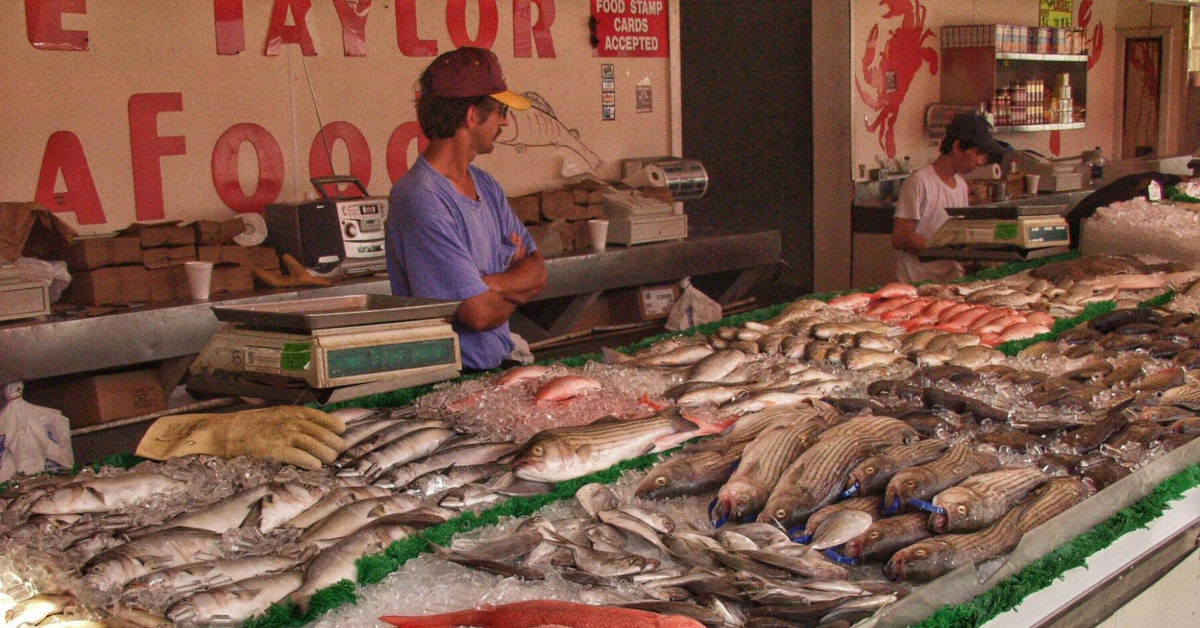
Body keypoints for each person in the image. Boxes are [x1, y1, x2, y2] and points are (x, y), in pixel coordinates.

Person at [386, 47, 547, 371]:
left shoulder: (486, 185)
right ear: (472, 115)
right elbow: (478, 313)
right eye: (501, 110)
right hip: (450, 378)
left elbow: (538, 272)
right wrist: (515, 283)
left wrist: (492, 284)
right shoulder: (420, 199)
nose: (505, 121)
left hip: (496, 368)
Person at [892, 113, 1004, 283]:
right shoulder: (919, 183)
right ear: (957, 146)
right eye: (977, 153)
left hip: (951, 281)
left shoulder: (961, 185)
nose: (981, 161)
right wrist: (948, 250)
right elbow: (901, 237)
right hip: (918, 284)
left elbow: (958, 233)